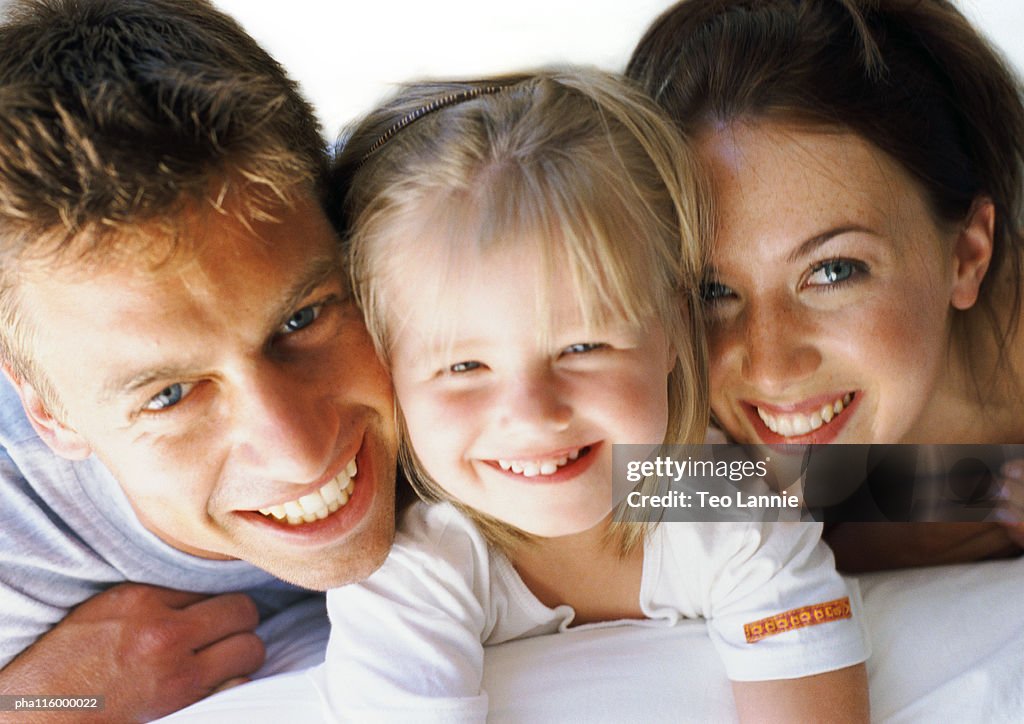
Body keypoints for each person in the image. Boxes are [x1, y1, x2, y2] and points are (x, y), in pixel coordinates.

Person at [317, 69, 870, 722]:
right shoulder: (410, 569)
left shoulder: (730, 499)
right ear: (386, 374)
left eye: (583, 347)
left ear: (674, 327)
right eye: (464, 365)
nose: (532, 411)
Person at [0, 1, 398, 719]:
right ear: (48, 412)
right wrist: (41, 702)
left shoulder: (442, 296)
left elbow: (669, 478)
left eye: (302, 320)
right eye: (171, 394)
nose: (298, 451)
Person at [626, 0, 1024, 570]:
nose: (770, 368)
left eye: (834, 271)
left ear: (967, 255)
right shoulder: (656, 386)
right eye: (712, 291)